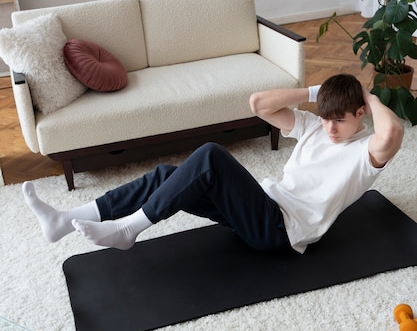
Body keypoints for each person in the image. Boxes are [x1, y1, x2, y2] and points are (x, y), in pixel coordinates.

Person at [22, 74, 404, 255]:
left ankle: (128, 228)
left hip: (281, 229)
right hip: (262, 207)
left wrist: (366, 93)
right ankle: (63, 220)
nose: (330, 128)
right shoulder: (312, 127)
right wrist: (315, 94)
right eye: (325, 117)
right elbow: (258, 103)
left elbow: (391, 133)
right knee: (167, 176)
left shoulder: (364, 152)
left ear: (359, 114)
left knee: (210, 156)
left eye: (340, 119)